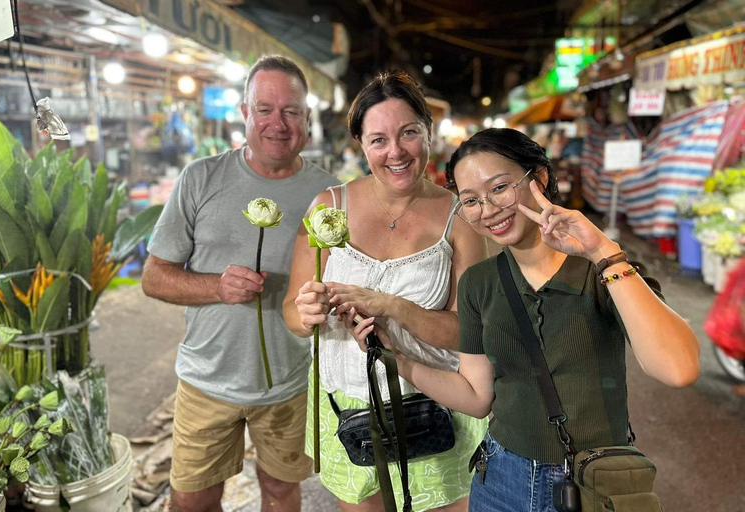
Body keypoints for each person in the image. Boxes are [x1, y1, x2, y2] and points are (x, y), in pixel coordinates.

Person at [350, 128, 700, 511]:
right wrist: (395, 359)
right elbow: (476, 396)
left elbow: (678, 368)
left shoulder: (602, 270)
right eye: (471, 201)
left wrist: (602, 251)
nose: (488, 210)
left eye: (500, 188)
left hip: (591, 480)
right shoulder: (479, 283)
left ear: (540, 177)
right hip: (500, 479)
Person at [283, 70, 490, 512]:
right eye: (378, 139)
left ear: (428, 132)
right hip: (347, 408)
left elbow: (468, 332)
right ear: (360, 143)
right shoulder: (327, 208)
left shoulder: (459, 217)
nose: (395, 152)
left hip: (436, 407)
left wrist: (393, 307)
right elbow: (292, 314)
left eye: (408, 133)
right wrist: (306, 314)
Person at [142, 55, 340, 512]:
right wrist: (217, 287)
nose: (278, 123)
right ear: (245, 113)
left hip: (291, 382)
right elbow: (154, 277)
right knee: (191, 501)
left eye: (291, 111)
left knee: (281, 491)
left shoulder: (330, 194)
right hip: (207, 380)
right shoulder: (201, 178)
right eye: (265, 109)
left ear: (307, 118)